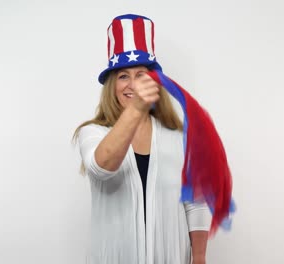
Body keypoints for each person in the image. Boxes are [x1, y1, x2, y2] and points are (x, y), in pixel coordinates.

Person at [73, 14, 212, 264]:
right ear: (112, 84)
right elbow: (100, 168)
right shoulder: (93, 132)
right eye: (123, 76)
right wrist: (136, 110)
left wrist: (199, 257)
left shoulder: (179, 136)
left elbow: (196, 202)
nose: (132, 84)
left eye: (140, 75)